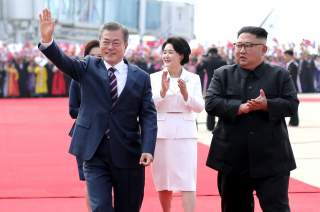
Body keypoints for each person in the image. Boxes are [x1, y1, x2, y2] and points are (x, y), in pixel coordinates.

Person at [38, 9, 157, 212]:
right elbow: (63, 61)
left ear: (126, 45)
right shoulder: (87, 66)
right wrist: (48, 40)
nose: (109, 47)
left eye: (116, 42)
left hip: (129, 153)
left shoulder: (141, 77)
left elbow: (148, 115)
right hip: (94, 152)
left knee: (128, 208)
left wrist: (148, 148)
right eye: (105, 42)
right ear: (99, 43)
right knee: (100, 207)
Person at [205, 26, 298, 212]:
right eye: (238, 45)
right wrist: (238, 107)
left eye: (247, 45)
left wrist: (267, 105)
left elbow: (291, 105)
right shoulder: (222, 74)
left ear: (263, 49)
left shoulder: (280, 75)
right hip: (232, 158)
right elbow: (211, 103)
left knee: (277, 208)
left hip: (272, 158)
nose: (241, 50)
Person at [150, 37, 204, 212]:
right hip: (161, 133)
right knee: (163, 180)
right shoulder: (154, 77)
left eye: (170, 52)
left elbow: (199, 108)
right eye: (164, 52)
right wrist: (162, 92)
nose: (166, 55)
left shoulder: (193, 78)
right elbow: (149, 106)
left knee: (187, 180)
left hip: (185, 133)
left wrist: (186, 95)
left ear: (181, 55)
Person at [68, 39, 101, 212]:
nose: (97, 59)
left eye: (100, 56)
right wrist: (92, 111)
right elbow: (72, 110)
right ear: (86, 57)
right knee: (92, 183)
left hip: (111, 136)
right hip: (86, 134)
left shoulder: (114, 78)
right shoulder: (78, 78)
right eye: (93, 56)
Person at [284, 49, 299, 126]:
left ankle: (294, 121)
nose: (284, 57)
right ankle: (293, 121)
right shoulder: (289, 65)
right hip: (290, 88)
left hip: (292, 88)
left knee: (293, 104)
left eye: (285, 56)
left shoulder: (293, 65)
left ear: (290, 56)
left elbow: (292, 78)